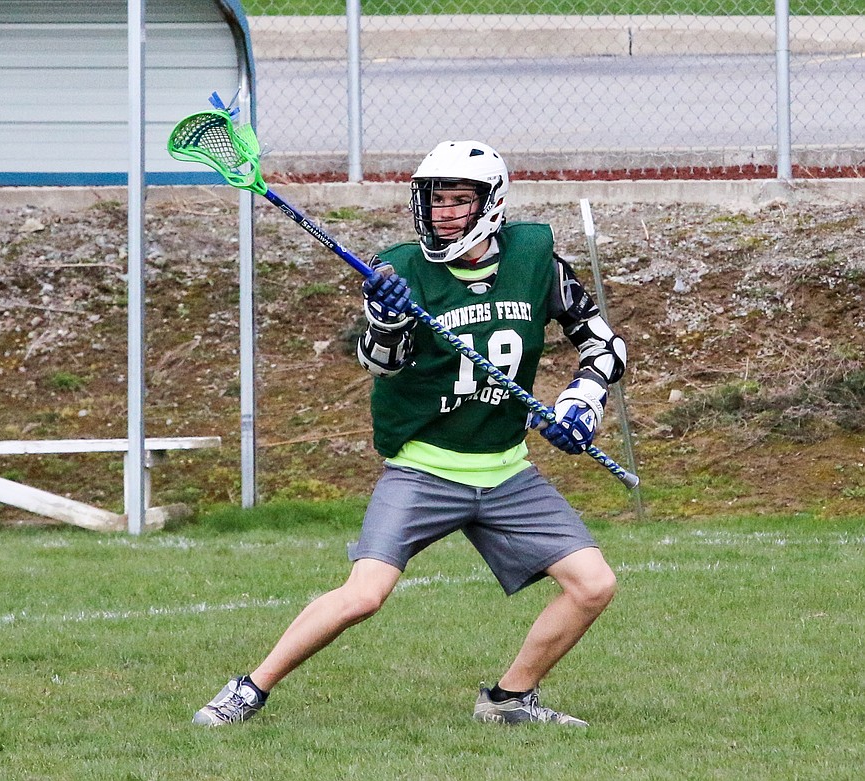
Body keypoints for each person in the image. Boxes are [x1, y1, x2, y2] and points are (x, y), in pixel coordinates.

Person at [193, 140, 628, 728]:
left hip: (505, 469)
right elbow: (381, 364)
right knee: (364, 595)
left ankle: (508, 700)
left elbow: (603, 343)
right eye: (433, 200)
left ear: (490, 204)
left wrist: (581, 401)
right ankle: (249, 688)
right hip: (426, 467)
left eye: (457, 200)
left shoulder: (536, 261)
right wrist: (386, 318)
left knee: (593, 585)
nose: (442, 212)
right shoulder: (398, 271)